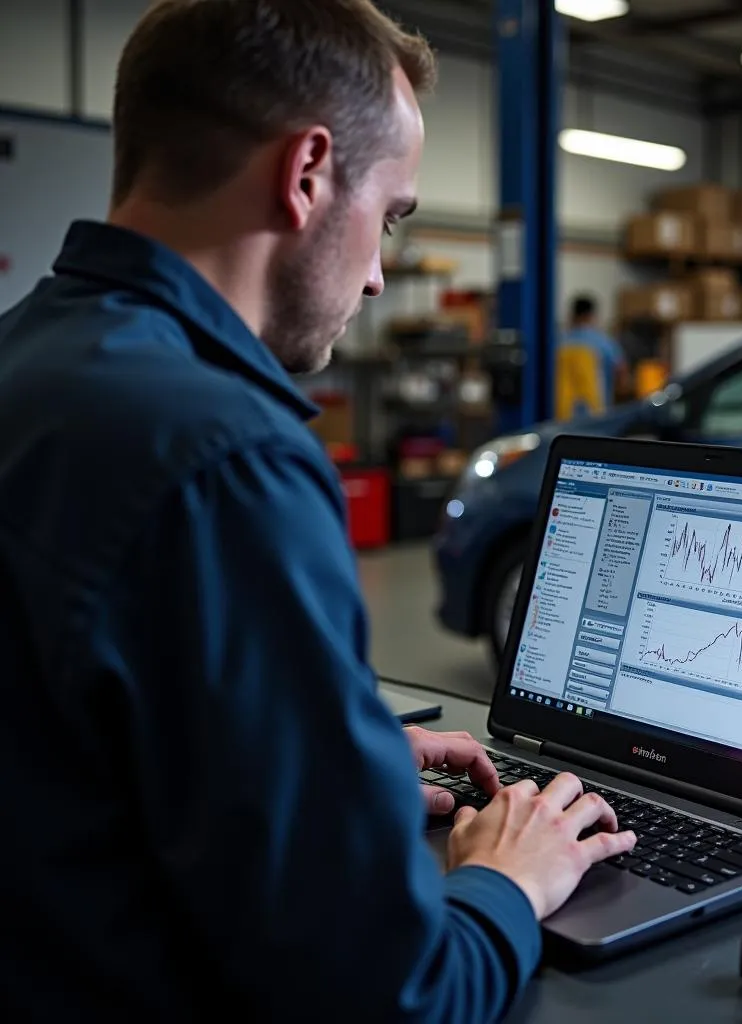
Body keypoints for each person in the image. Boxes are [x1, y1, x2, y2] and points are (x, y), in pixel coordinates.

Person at [0, 2, 635, 1021]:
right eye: (388, 217)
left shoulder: (25, 356)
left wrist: (320, 750)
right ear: (306, 174)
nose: (380, 272)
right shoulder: (228, 456)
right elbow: (392, 997)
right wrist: (507, 882)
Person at [562, 294, 629, 410]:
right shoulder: (605, 343)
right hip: (596, 414)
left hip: (560, 415)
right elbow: (621, 376)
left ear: (572, 315)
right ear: (590, 315)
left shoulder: (559, 342)